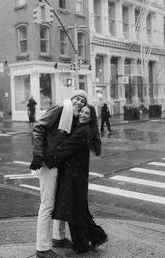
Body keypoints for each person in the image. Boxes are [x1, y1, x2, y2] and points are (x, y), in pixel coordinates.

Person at [29, 90, 88, 258]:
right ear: (72, 98)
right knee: (47, 205)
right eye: (77, 99)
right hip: (48, 161)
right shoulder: (61, 108)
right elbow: (38, 127)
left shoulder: (74, 116)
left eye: (82, 102)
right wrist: (38, 154)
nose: (79, 103)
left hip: (60, 163)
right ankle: (42, 248)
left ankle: (59, 238)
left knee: (60, 201)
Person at [46, 104, 108, 254]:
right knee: (77, 210)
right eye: (82, 112)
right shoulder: (82, 128)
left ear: (91, 117)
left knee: (72, 210)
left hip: (74, 177)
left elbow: (66, 147)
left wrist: (47, 160)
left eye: (87, 113)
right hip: (75, 175)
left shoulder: (83, 131)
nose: (83, 115)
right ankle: (97, 236)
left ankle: (81, 245)